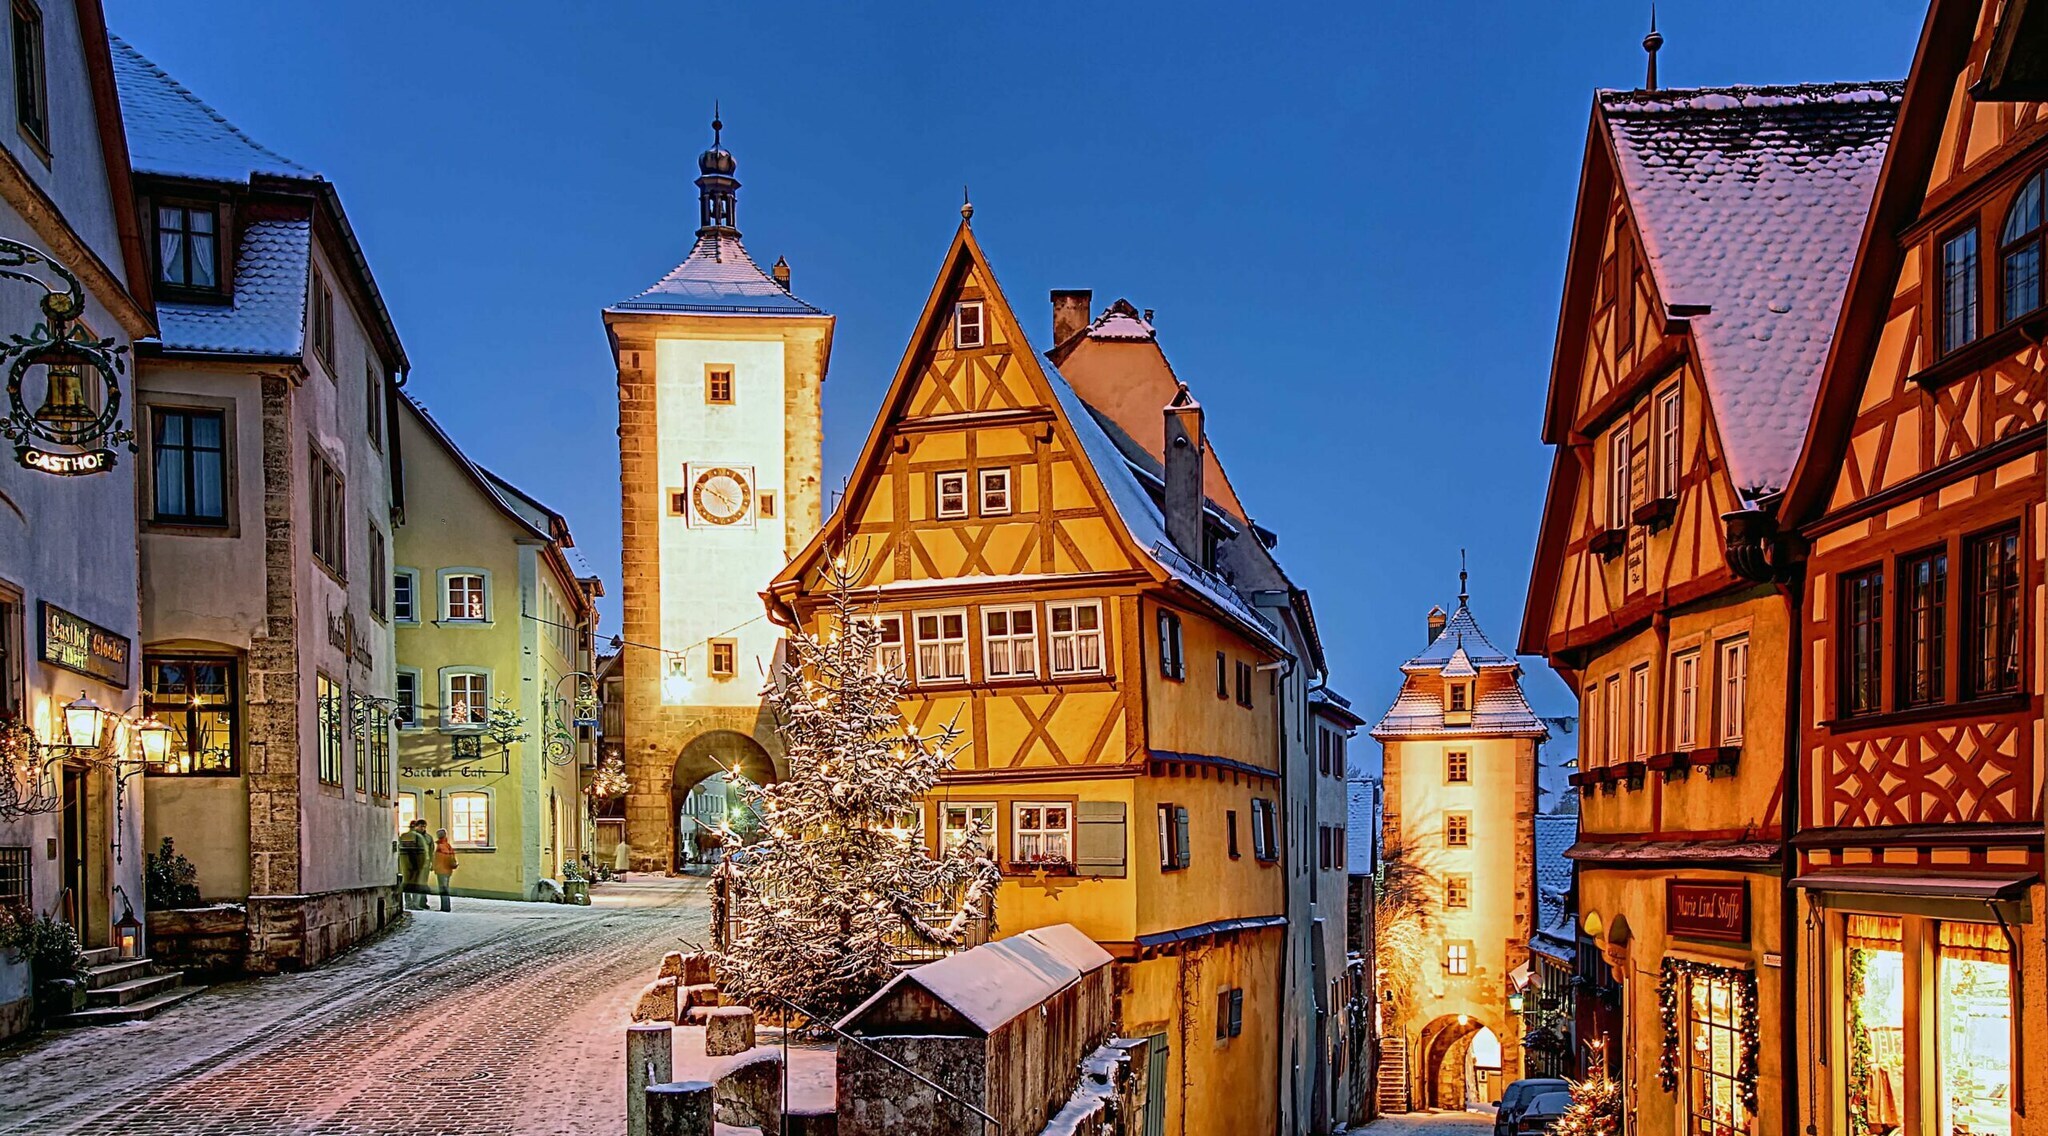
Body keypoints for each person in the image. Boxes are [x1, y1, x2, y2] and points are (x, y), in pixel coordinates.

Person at [398, 819, 432, 910]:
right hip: (408, 864)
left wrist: (429, 863)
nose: (422, 828)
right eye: (420, 826)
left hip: (421, 864)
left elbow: (430, 851)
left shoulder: (427, 837)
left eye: (424, 826)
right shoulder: (407, 836)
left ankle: (417, 903)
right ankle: (410, 903)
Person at [433, 829, 459, 912]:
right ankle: (446, 907)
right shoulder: (448, 845)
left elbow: (438, 859)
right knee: (445, 888)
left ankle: (445, 907)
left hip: (441, 870)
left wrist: (434, 866)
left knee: (443, 889)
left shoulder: (440, 846)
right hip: (448, 870)